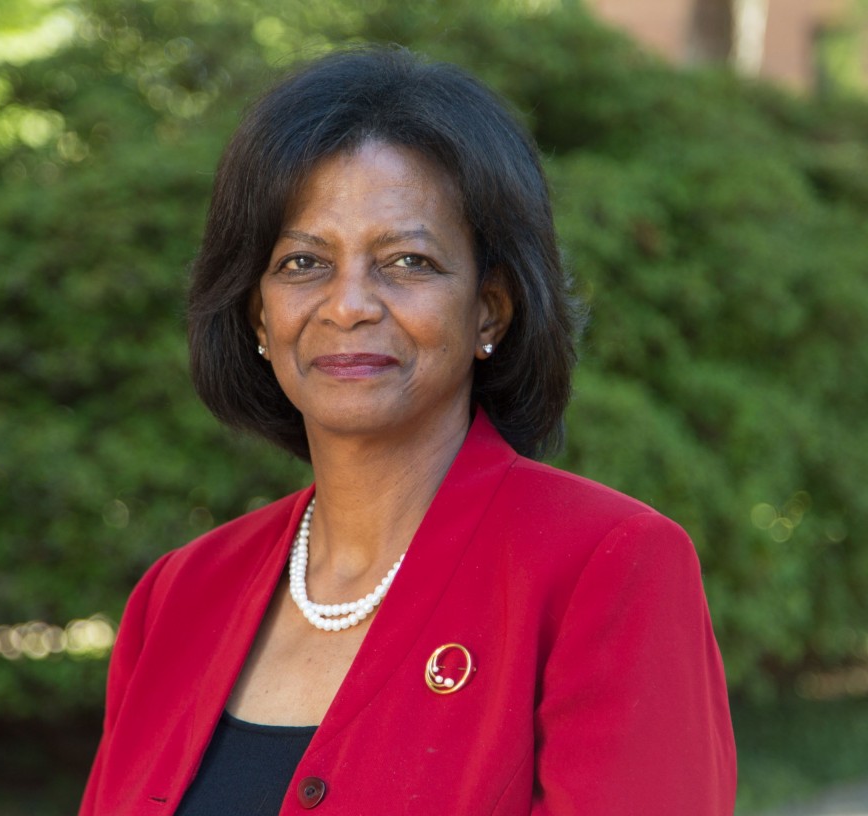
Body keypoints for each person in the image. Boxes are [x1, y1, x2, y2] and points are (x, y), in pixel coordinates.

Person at [79, 46, 736, 815]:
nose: (349, 304)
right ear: (258, 312)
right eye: (301, 263)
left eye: (408, 261)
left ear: (490, 308)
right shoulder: (178, 597)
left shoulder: (607, 565)